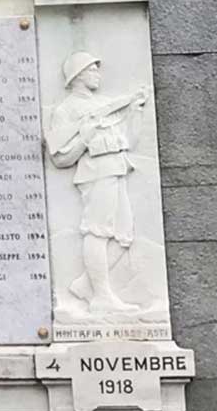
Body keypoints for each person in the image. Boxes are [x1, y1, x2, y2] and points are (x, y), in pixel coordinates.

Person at [45, 52, 152, 315]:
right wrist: (85, 136)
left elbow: (130, 141)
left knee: (124, 235)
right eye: (92, 70)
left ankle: (86, 285)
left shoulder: (106, 104)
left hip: (116, 168)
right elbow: (60, 157)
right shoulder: (66, 110)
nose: (98, 75)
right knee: (98, 231)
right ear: (78, 75)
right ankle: (102, 297)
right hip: (95, 172)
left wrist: (135, 111)